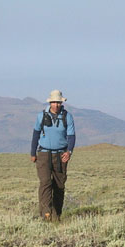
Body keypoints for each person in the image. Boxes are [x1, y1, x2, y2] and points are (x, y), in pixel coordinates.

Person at [30, 89, 76, 221]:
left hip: (61, 154)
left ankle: (57, 216)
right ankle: (46, 214)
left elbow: (71, 136)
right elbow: (35, 134)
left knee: (59, 185)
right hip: (44, 153)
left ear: (62, 103)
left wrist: (69, 151)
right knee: (45, 183)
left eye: (58, 102)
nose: (56, 105)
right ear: (50, 103)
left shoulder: (67, 117)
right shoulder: (41, 116)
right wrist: (33, 153)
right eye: (54, 102)